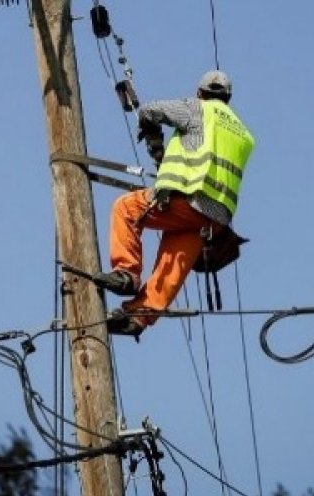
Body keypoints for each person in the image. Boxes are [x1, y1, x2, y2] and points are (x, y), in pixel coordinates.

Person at [93, 70, 255, 337]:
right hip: (215, 219)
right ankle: (138, 317)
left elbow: (150, 111)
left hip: (189, 200)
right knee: (174, 261)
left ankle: (126, 274)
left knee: (126, 208)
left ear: (200, 92)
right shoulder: (243, 133)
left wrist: (155, 141)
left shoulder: (197, 108)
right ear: (228, 98)